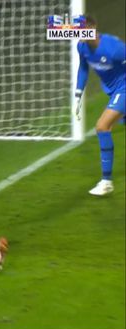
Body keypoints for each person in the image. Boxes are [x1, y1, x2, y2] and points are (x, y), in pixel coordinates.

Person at [74, 15, 125, 196]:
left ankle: (106, 182)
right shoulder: (82, 46)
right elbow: (83, 68)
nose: (79, 33)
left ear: (93, 28)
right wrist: (78, 93)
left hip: (124, 88)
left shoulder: (114, 48)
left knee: (102, 127)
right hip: (113, 91)